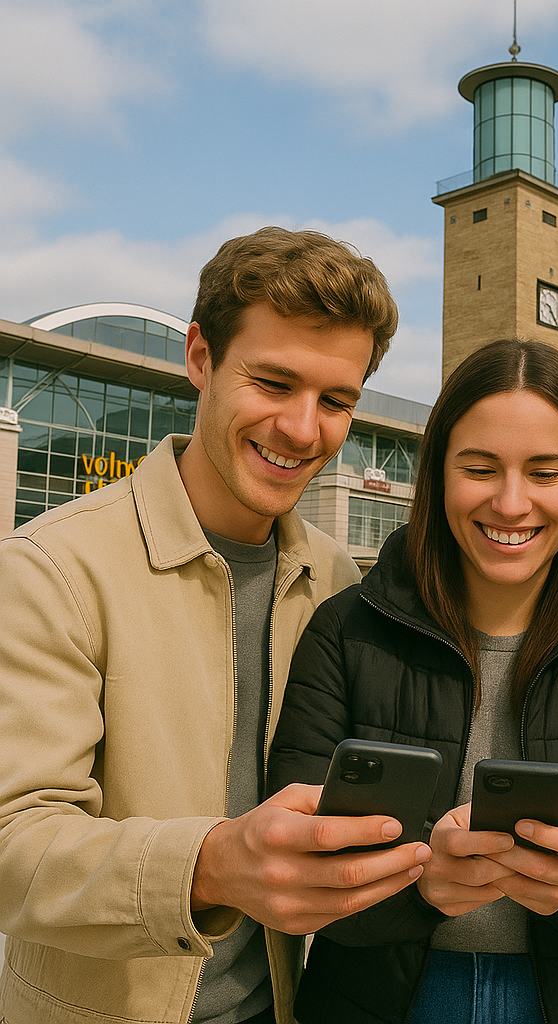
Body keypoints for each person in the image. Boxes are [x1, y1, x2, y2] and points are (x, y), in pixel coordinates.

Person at [0, 227, 432, 1024]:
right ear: (199, 357)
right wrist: (211, 865)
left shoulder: (337, 578)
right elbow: (13, 846)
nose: (304, 430)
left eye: (336, 401)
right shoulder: (49, 570)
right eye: (272, 382)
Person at [268, 338, 558, 1024]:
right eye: (479, 467)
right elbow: (294, 867)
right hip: (381, 1001)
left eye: (545, 471)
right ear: (438, 473)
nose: (510, 501)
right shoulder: (346, 631)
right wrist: (422, 886)